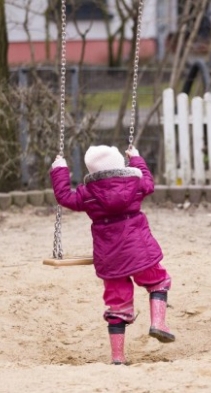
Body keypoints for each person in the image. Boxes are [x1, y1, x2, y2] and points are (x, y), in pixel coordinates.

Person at [50, 145, 174, 365]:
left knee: (117, 305)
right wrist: (136, 158)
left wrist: (60, 168)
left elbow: (63, 196)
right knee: (158, 282)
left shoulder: (87, 194)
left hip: (109, 258)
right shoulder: (135, 185)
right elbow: (149, 182)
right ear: (120, 164)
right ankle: (158, 323)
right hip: (140, 252)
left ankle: (118, 357)